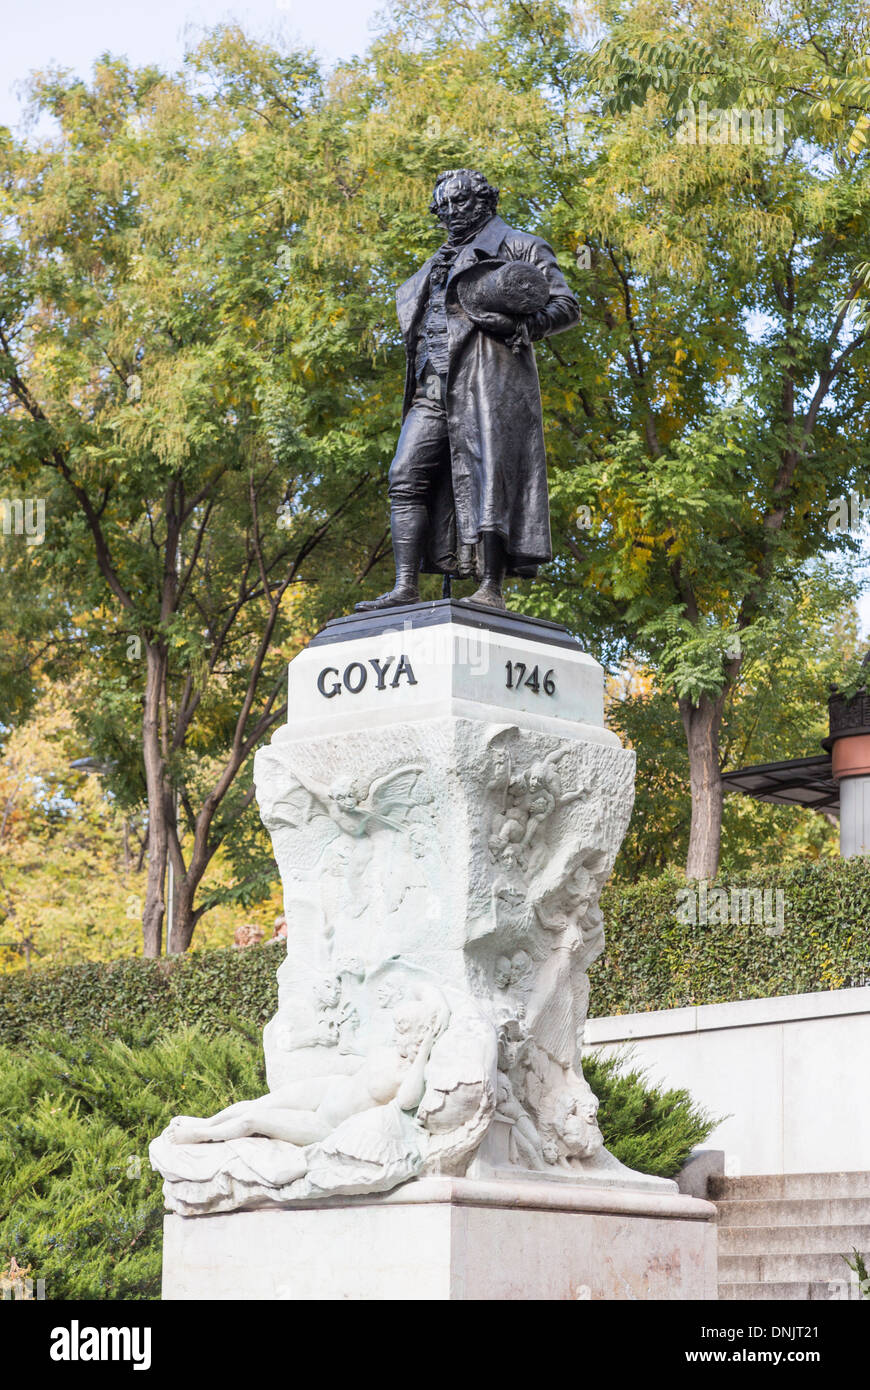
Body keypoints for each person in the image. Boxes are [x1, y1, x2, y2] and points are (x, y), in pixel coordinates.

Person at [357, 169, 579, 612]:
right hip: (431, 385)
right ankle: (405, 586)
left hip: (486, 382)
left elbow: (566, 306)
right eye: (442, 206)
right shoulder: (435, 262)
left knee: (489, 477)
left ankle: (490, 587)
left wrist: (521, 325)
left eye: (460, 203)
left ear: (485, 202)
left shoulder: (519, 245)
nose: (450, 213)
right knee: (404, 475)